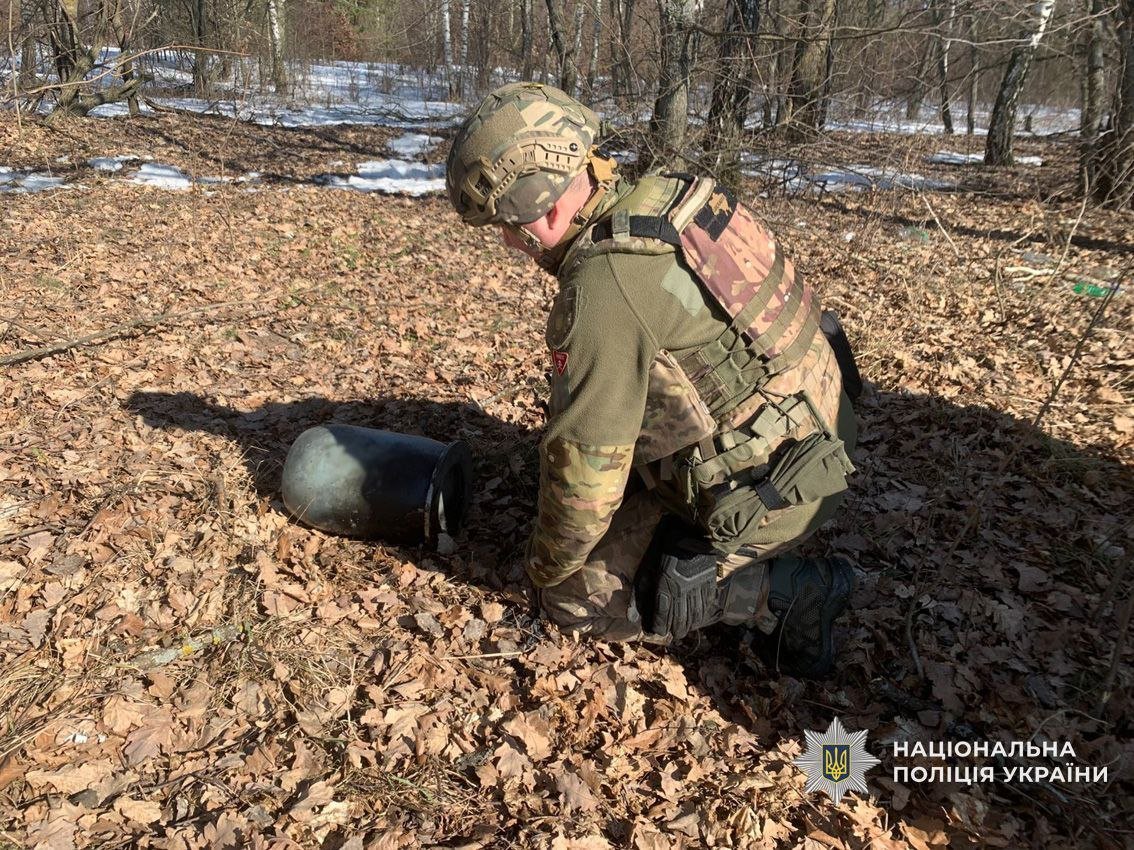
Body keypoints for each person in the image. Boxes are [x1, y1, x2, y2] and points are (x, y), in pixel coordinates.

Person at [445, 82, 861, 678]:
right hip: (824, 428)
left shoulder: (604, 288)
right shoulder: (670, 196)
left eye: (508, 226)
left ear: (549, 210)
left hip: (777, 495)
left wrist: (542, 568)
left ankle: (790, 593)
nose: (509, 242)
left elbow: (586, 483)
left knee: (572, 598)